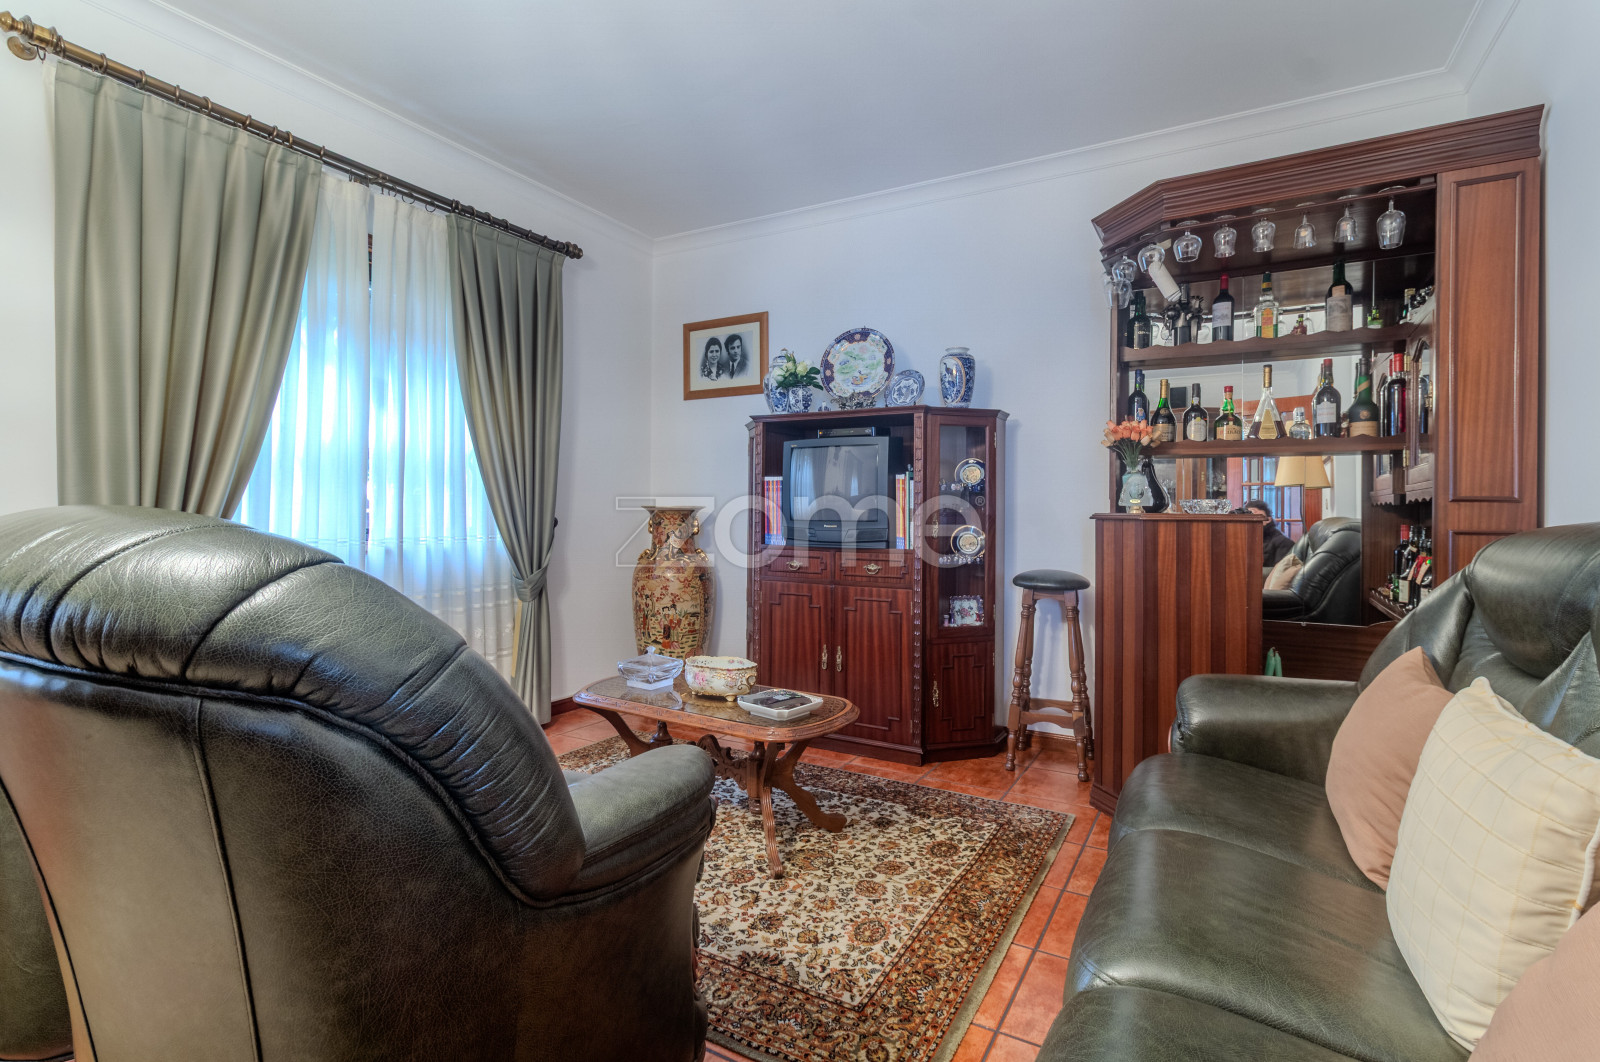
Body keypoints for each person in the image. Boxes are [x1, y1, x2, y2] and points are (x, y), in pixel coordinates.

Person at [1245, 498, 1295, 567]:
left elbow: (1281, 571)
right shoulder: (1241, 540)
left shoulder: (1282, 542)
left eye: (1257, 517)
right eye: (1248, 518)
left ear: (1268, 519)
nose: (1252, 521)